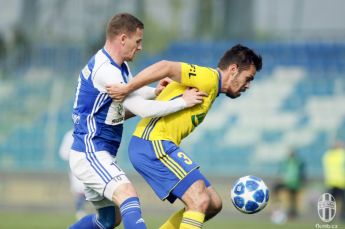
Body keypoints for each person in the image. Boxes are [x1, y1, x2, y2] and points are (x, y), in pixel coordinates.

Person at [69, 13, 205, 229]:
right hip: (90, 151)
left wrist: (155, 92)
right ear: (123, 38)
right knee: (128, 194)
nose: (140, 47)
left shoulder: (115, 65)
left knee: (108, 220)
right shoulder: (107, 71)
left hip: (96, 151)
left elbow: (133, 94)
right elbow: (142, 109)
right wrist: (183, 102)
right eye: (138, 41)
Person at [107, 44, 262, 228]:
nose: (248, 85)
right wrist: (127, 88)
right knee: (199, 199)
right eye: (248, 78)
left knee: (213, 203)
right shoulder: (209, 78)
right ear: (233, 69)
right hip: (152, 144)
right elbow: (166, 66)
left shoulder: (211, 88)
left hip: (159, 144)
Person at [59, 129, 88, 220]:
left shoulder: (92, 131)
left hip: (91, 166)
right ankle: (80, 211)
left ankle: (100, 212)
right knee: (79, 190)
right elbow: (63, 153)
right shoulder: (70, 135)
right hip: (76, 166)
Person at [271, 150, 305, 221]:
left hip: (294, 183)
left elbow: (301, 173)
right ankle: (278, 206)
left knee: (292, 199)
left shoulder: (298, 162)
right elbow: (282, 171)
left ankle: (291, 213)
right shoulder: (287, 162)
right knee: (278, 190)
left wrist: (301, 181)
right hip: (288, 182)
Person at [322, 141, 345, 221]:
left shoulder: (328, 155)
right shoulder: (341, 154)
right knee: (339, 201)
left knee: (330, 202)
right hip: (340, 181)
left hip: (332, 182)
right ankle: (341, 217)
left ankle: (328, 217)